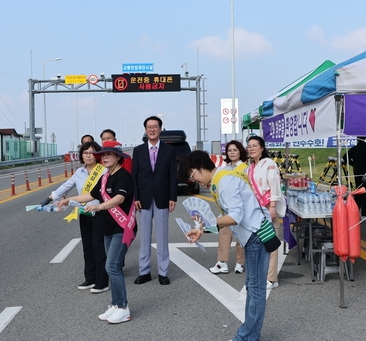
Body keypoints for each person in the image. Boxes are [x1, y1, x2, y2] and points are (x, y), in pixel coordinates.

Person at [182, 150, 270, 341]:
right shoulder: (221, 178)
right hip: (254, 233)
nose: (193, 179)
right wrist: (203, 228)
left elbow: (235, 217)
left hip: (255, 234)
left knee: (255, 289)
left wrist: (206, 225)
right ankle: (251, 334)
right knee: (253, 287)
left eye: (192, 174)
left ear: (202, 167)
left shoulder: (225, 181)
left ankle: (247, 337)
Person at [57, 141, 136, 324]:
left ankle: (123, 307)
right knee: (112, 265)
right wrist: (69, 200)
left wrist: (100, 206)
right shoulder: (105, 176)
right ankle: (115, 304)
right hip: (108, 227)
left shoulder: (123, 176)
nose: (105, 157)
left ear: (118, 157)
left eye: (109, 154)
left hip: (122, 227)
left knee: (112, 267)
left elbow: (119, 198)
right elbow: (90, 195)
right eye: (103, 155)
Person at [41, 141, 109, 294]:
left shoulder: (103, 171)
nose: (88, 155)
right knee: (87, 247)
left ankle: (102, 281)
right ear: (81, 155)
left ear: (97, 155)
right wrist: (50, 197)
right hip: (84, 212)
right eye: (85, 152)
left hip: (100, 212)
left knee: (98, 247)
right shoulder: (79, 172)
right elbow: (66, 185)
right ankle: (90, 278)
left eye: (92, 152)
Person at [132, 116, 177, 285]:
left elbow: (173, 175)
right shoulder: (138, 150)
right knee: (144, 237)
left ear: (160, 129)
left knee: (163, 236)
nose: (152, 129)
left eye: (155, 127)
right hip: (143, 198)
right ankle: (144, 271)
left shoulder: (169, 150)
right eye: (149, 127)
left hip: (162, 197)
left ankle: (163, 272)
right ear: (145, 130)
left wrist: (173, 197)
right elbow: (134, 176)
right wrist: (136, 197)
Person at [246, 135, 285, 290]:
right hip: (257, 209)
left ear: (262, 148)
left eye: (255, 145)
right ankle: (265, 274)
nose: (251, 148)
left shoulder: (269, 164)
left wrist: (273, 206)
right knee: (261, 241)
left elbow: (274, 184)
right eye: (249, 146)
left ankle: (272, 278)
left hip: (268, 205)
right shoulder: (250, 168)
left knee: (271, 240)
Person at [209, 140, 247, 275]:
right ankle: (222, 262)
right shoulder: (224, 169)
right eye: (229, 150)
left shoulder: (245, 168)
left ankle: (240, 262)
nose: (232, 153)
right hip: (225, 208)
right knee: (224, 232)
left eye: (235, 150)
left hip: (241, 207)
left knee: (240, 236)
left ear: (240, 151)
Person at [343, 137, 366, 216]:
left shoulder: (354, 149)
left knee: (358, 191)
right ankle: (365, 213)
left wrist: (353, 164)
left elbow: (344, 158)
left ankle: (356, 210)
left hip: (357, 172)